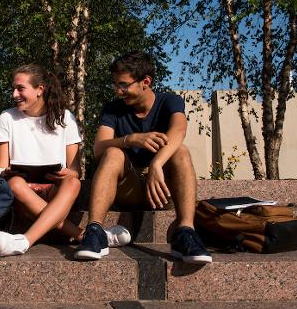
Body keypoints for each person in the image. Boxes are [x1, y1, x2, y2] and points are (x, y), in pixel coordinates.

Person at [74, 51, 212, 263]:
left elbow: (179, 131)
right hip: (125, 188)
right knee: (112, 152)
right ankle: (95, 231)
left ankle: (185, 232)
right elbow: (99, 148)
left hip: (160, 190)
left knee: (181, 150)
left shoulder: (169, 101)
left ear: (145, 82)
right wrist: (130, 139)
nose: (118, 91)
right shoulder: (112, 109)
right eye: (116, 84)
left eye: (123, 85)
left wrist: (157, 163)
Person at [0, 64, 131, 257]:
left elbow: (75, 170)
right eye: (13, 88)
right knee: (15, 183)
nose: (14, 94)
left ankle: (24, 241)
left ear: (40, 89)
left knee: (73, 182)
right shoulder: (7, 117)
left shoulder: (65, 117)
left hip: (55, 191)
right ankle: (84, 235)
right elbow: (0, 167)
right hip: (22, 194)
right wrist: (6, 172)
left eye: (20, 88)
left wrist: (68, 173)